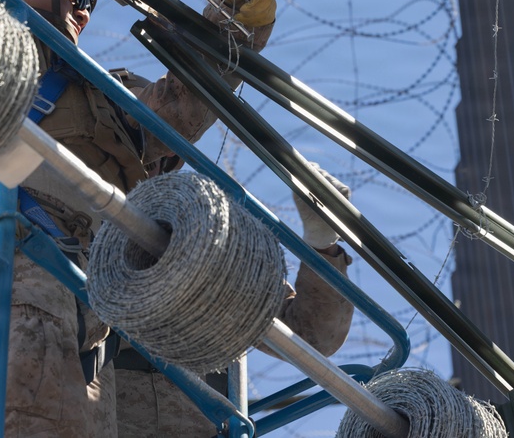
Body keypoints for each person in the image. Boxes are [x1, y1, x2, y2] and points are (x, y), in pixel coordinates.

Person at [0, 0, 353, 437]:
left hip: (102, 304)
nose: (81, 11)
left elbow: (183, 109)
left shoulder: (109, 101)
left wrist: (234, 35)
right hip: (16, 271)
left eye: (91, 0)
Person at [113, 165, 355, 438]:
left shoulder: (210, 240)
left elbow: (313, 336)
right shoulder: (93, 239)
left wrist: (321, 242)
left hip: (199, 421)